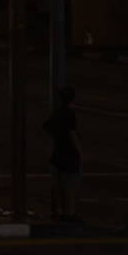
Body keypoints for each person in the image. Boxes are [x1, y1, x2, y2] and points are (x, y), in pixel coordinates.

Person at [43, 85, 81, 222]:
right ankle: (69, 213)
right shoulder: (70, 114)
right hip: (69, 154)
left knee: (56, 184)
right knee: (70, 185)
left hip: (57, 153)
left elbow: (47, 129)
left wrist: (49, 148)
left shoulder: (56, 113)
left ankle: (57, 210)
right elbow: (72, 134)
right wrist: (80, 152)